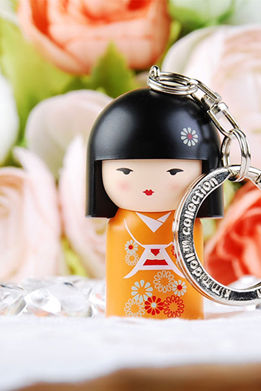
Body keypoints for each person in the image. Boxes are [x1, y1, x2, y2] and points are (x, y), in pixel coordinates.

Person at [87, 88, 223, 319]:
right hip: (125, 317)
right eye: (125, 171)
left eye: (174, 172)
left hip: (184, 315)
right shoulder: (120, 225)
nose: (148, 186)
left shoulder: (189, 226)